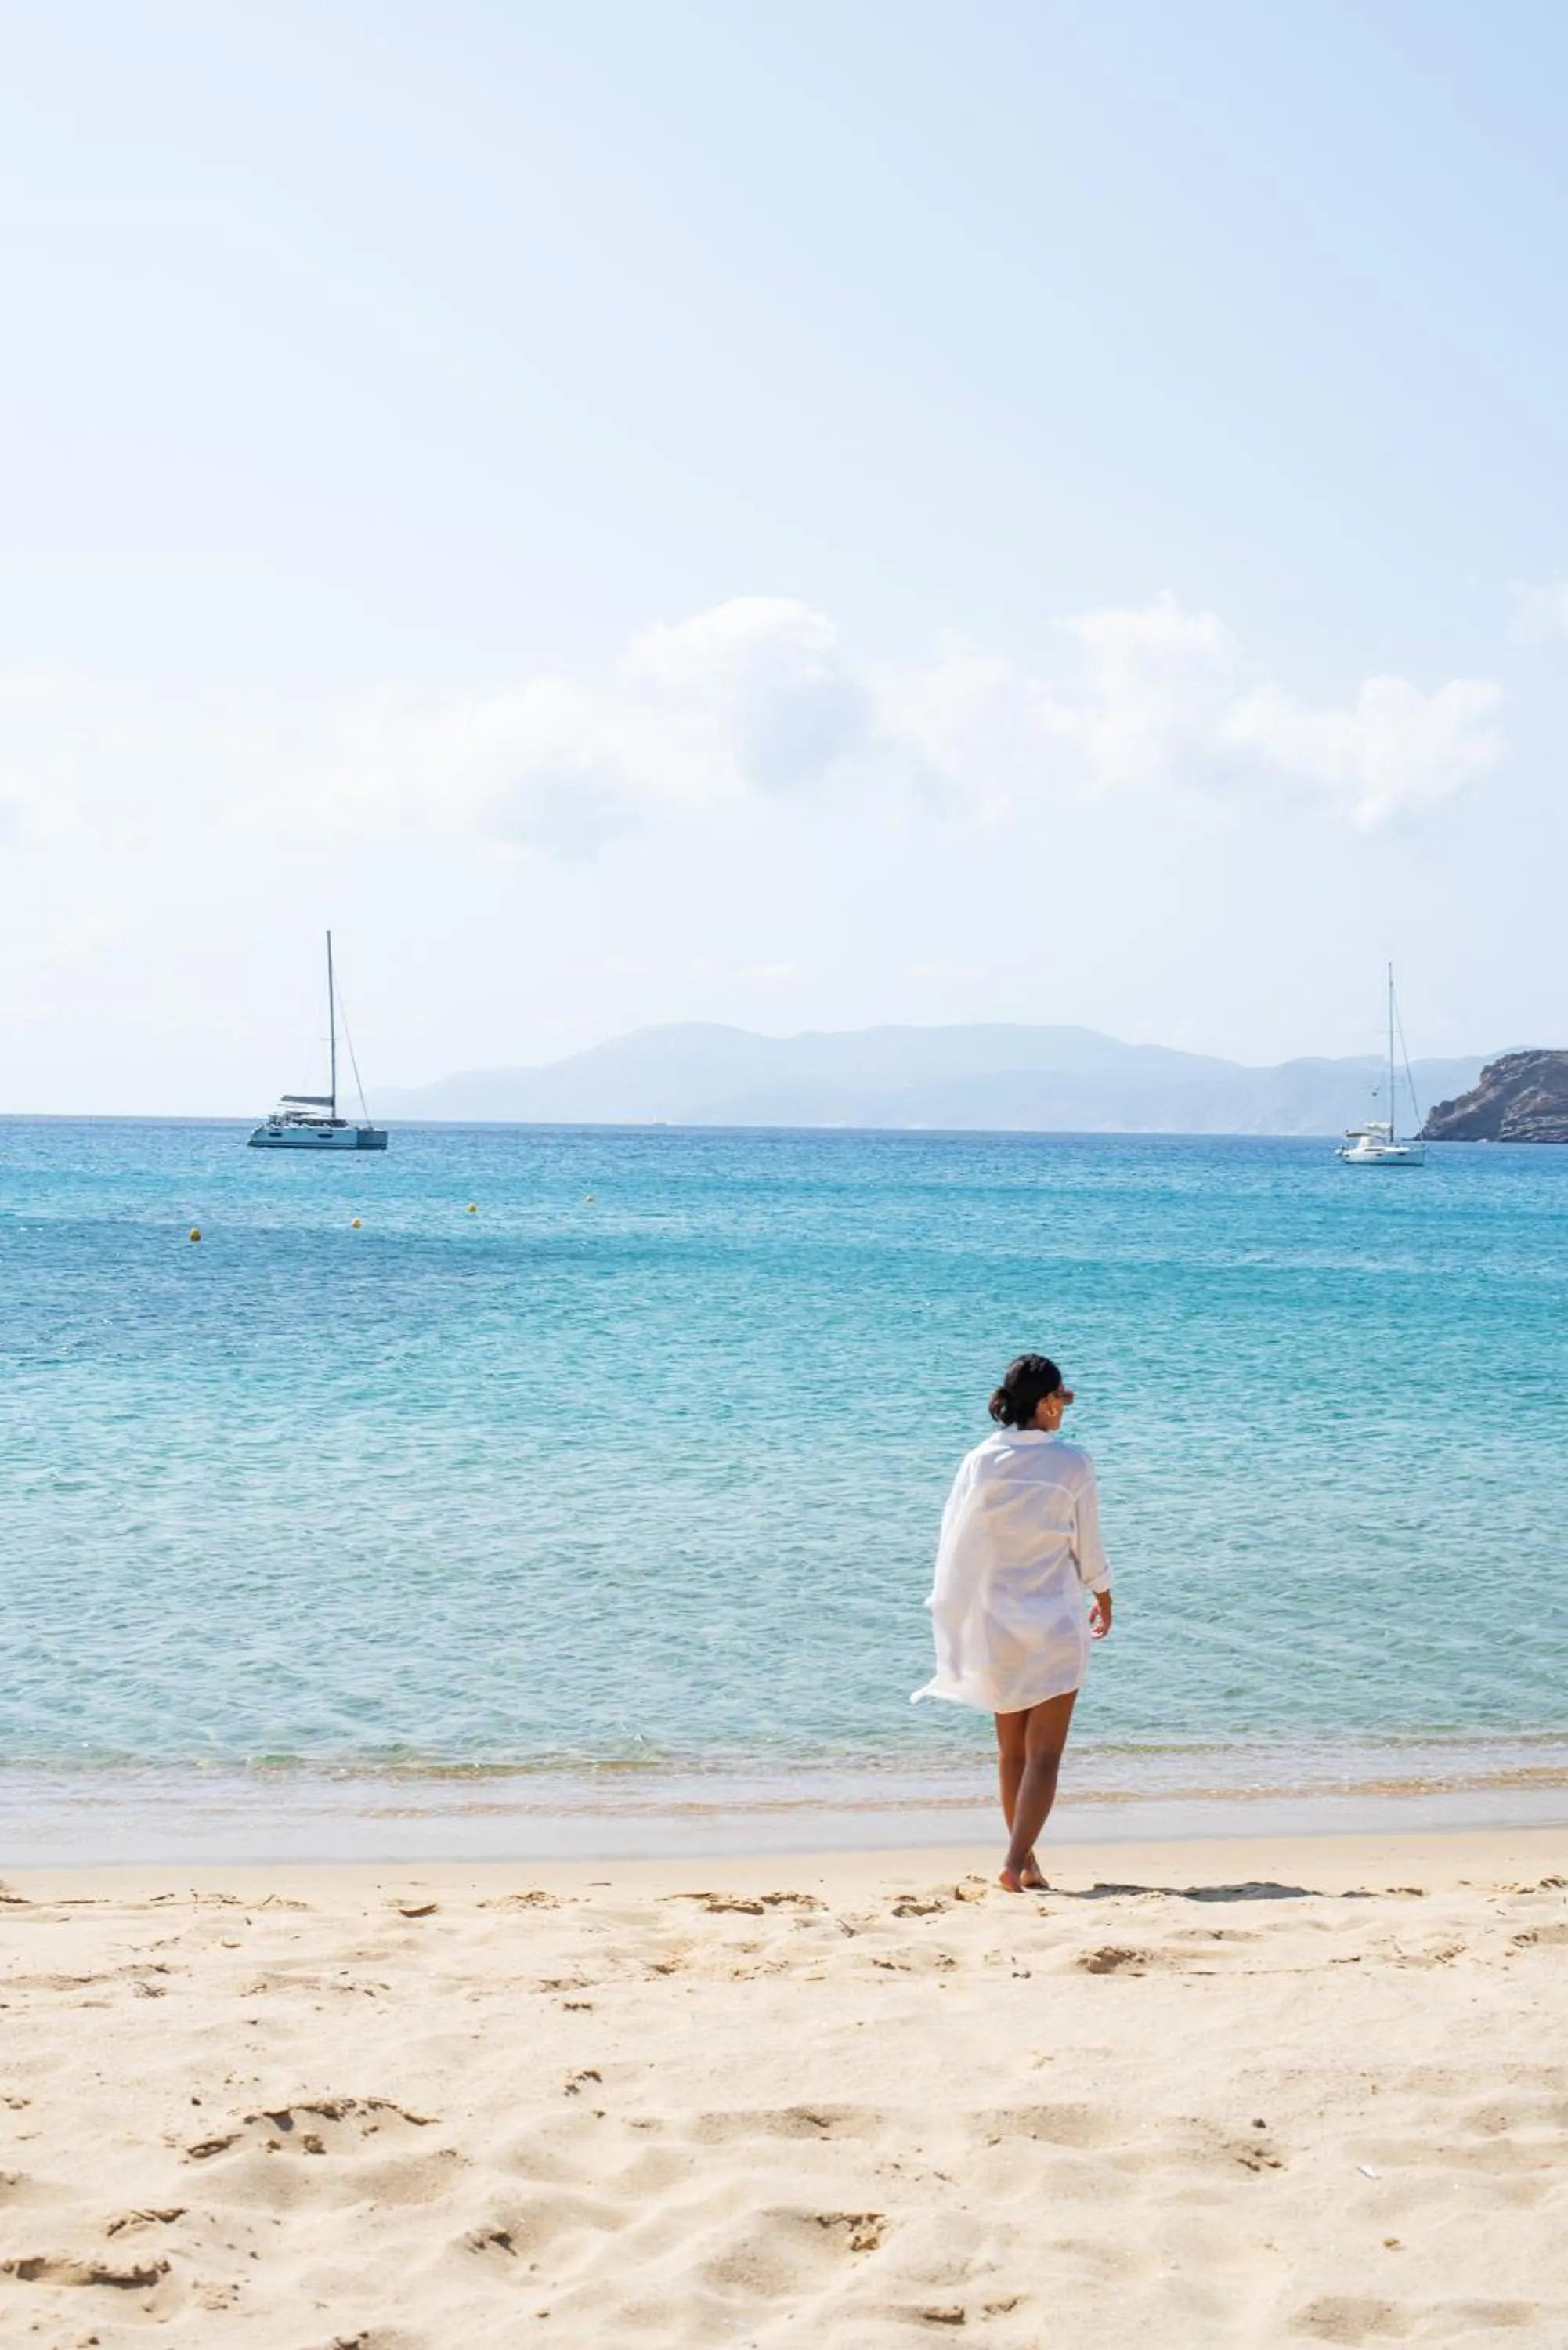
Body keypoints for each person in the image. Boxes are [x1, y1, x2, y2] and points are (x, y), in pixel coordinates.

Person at [912, 1354, 1112, 1892]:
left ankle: (1026, 1864)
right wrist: (1104, 1594)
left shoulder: (979, 1460)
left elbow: (957, 1544)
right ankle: (1013, 1859)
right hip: (1055, 1620)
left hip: (996, 1621)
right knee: (1045, 1755)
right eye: (1062, 1402)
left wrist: (957, 1616)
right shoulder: (1073, 1463)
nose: (1062, 1411)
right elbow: (1087, 1544)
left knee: (1012, 1752)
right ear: (1048, 1404)